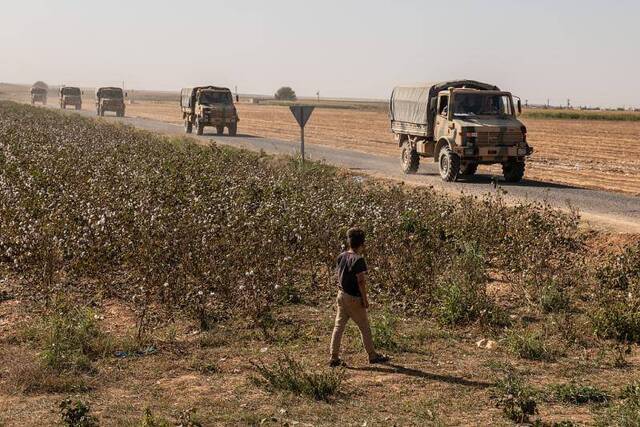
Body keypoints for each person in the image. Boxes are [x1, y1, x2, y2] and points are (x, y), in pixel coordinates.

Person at [329, 228, 389, 367]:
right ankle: (372, 355)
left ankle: (334, 356)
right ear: (361, 244)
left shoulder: (341, 256)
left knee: (338, 326)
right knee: (364, 327)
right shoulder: (358, 259)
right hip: (353, 298)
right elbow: (361, 281)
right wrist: (365, 299)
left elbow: (339, 275)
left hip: (341, 295)